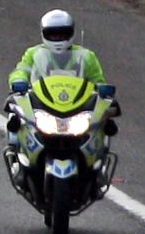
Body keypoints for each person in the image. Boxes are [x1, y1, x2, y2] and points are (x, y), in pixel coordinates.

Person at [6, 9, 117, 140]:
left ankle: (99, 151)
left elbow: (97, 80)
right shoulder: (33, 53)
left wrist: (103, 91)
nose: (57, 38)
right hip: (42, 103)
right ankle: (16, 144)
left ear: (71, 33)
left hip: (76, 105)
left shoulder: (87, 56)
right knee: (17, 112)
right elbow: (21, 71)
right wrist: (19, 82)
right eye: (53, 34)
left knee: (102, 124)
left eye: (62, 34)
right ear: (44, 33)